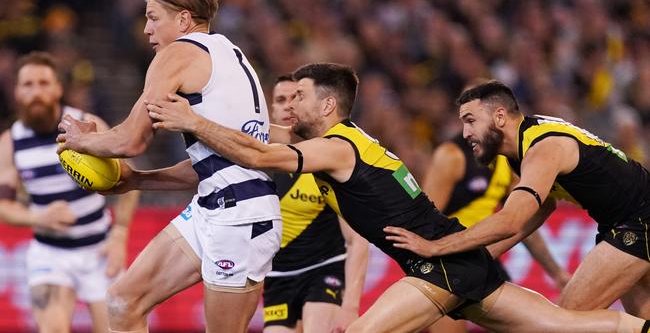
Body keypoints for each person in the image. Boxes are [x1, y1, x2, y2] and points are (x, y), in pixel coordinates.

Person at [144, 63, 650, 333]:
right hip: (455, 260)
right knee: (561, 326)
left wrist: (192, 120)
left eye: (297, 96)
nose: (287, 105)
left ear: (327, 103)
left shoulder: (338, 146)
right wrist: (140, 178)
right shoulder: (334, 143)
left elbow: (258, 155)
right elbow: (252, 144)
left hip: (441, 261)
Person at [56, 0, 281, 333]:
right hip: (215, 207)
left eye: (153, 17)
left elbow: (131, 140)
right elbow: (207, 167)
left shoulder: (179, 52)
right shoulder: (229, 53)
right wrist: (137, 181)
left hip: (239, 220)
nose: (146, 29)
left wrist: (82, 141)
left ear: (183, 19)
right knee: (123, 301)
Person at [384, 79, 650, 319]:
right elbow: (543, 208)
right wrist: (480, 258)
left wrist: (437, 248)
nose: (465, 133)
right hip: (626, 220)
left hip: (639, 220)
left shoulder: (541, 148)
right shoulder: (522, 147)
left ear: (499, 117)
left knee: (566, 319)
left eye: (470, 120)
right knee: (641, 317)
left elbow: (511, 220)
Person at [0, 51, 139, 333]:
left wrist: (120, 236)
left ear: (58, 88)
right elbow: (3, 205)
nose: (36, 92)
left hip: (98, 250)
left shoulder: (86, 125)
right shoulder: (10, 143)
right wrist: (38, 218)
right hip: (50, 254)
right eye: (28, 85)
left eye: (43, 83)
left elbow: (130, 180)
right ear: (16, 91)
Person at [422, 132, 571, 333]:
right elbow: (425, 222)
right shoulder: (451, 155)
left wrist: (556, 272)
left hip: (485, 258)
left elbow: (520, 221)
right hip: (449, 264)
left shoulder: (504, 163)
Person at [263, 75, 368, 333]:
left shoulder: (328, 155)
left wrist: (350, 307)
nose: (289, 105)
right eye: (281, 100)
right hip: (277, 277)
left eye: (296, 98)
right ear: (271, 110)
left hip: (324, 268)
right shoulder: (257, 160)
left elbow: (357, 240)